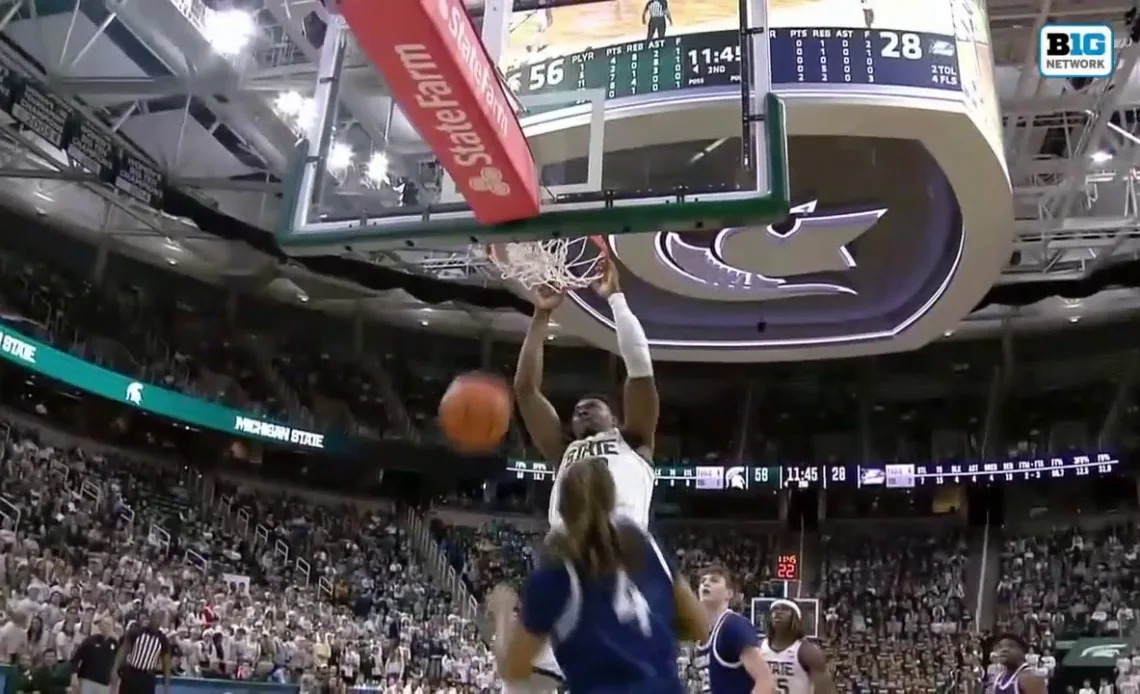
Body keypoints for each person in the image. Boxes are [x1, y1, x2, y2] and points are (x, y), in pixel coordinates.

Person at [512, 262, 659, 692]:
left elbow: (641, 370)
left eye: (593, 405)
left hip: (619, 569)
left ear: (614, 416)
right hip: (565, 571)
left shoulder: (635, 442)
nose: (581, 409)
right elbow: (524, 390)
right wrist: (540, 317)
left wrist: (616, 298)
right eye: (577, 408)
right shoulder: (563, 453)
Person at [487, 457, 708, 694]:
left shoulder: (555, 572)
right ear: (613, 499)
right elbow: (700, 627)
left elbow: (513, 670)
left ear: (559, 508)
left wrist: (502, 611)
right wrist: (647, 634)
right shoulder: (643, 545)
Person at [694, 568, 774, 694]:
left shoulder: (734, 625)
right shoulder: (701, 634)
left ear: (729, 594)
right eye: (703, 581)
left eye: (714, 580)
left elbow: (765, 681)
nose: (706, 584)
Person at [758, 600, 837, 694]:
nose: (778, 612)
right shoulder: (758, 648)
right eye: (775, 609)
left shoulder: (808, 652)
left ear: (795, 617)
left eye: (784, 609)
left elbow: (825, 691)